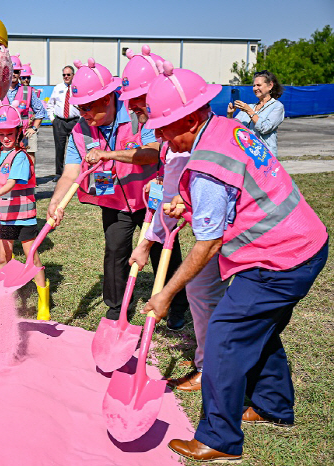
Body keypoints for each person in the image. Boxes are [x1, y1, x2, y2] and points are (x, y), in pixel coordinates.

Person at [141, 62, 328, 463]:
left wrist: (166, 294)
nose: (159, 135)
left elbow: (207, 245)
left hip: (279, 258)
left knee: (225, 336)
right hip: (306, 242)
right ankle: (272, 405)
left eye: (165, 125)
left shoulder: (207, 163)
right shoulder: (227, 128)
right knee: (260, 327)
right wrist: (188, 206)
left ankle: (219, 438)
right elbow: (234, 198)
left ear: (190, 118)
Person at [47, 58, 188, 328]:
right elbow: (70, 171)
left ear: (107, 99)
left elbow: (151, 154)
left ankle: (177, 305)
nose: (83, 113)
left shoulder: (137, 114)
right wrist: (56, 201)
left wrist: (109, 154)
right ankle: (115, 309)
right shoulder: (80, 129)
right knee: (114, 253)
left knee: (164, 251)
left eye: (88, 107)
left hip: (151, 198)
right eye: (79, 108)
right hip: (114, 200)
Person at [124, 46, 228, 391]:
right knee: (203, 295)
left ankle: (209, 366)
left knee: (205, 294)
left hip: (229, 236)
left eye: (141, 98)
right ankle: (206, 356)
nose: (136, 107)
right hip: (212, 227)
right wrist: (146, 243)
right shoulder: (176, 142)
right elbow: (170, 200)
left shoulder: (193, 145)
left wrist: (165, 290)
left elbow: (182, 204)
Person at [0, 99, 50, 320]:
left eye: (10, 133)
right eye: (1, 134)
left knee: (32, 258)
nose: (6, 138)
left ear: (18, 132)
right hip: (4, 216)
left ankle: (43, 301)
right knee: (4, 258)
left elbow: (12, 182)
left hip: (23, 216)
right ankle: (3, 301)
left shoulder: (21, 156)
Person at [228, 70, 285, 158]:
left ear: (270, 86)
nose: (255, 88)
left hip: (264, 157)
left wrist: (249, 111)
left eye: (258, 85)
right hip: (246, 154)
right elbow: (234, 128)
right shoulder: (250, 106)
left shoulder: (277, 106)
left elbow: (265, 128)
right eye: (254, 86)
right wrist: (230, 115)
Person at [3, 56, 45, 163]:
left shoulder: (28, 91)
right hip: (5, 133)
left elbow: (40, 111)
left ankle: (29, 179)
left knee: (28, 159)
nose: (13, 74)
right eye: (11, 71)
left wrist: (34, 129)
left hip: (25, 133)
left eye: (16, 71)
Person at [47, 65, 80, 181]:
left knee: (77, 147)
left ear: (73, 75)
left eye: (68, 74)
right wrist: (52, 119)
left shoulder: (78, 87)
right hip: (60, 122)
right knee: (59, 148)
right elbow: (50, 104)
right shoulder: (58, 88)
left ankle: (77, 172)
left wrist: (81, 120)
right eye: (64, 75)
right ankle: (59, 173)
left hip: (75, 122)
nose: (66, 77)